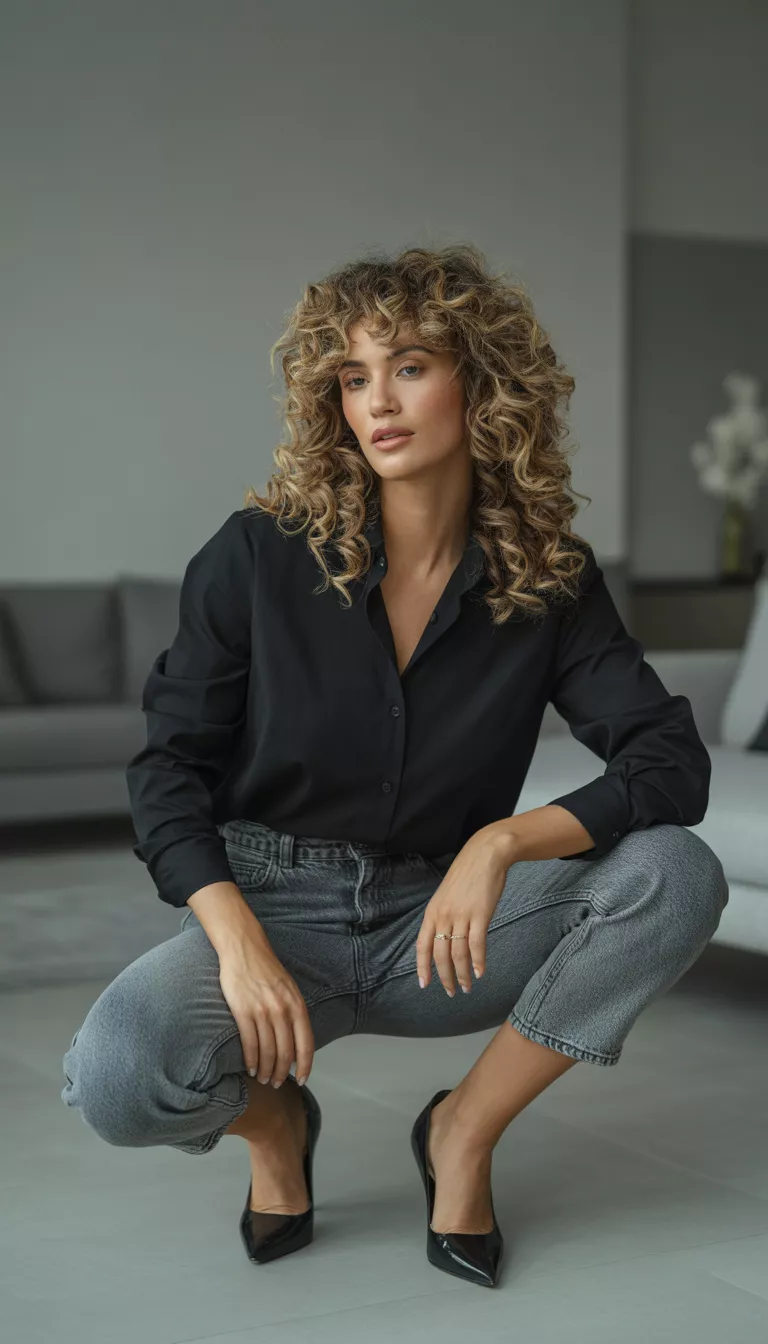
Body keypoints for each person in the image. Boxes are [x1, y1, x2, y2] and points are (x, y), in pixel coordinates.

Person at [61, 243, 728, 1289]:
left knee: (680, 871)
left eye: (410, 364)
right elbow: (165, 772)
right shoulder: (255, 556)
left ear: (483, 380)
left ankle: (461, 1134)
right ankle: (279, 1129)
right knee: (113, 1078)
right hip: (274, 913)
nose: (379, 400)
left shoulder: (546, 581)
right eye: (354, 375)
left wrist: (504, 842)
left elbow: (669, 759)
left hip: (444, 930)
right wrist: (234, 941)